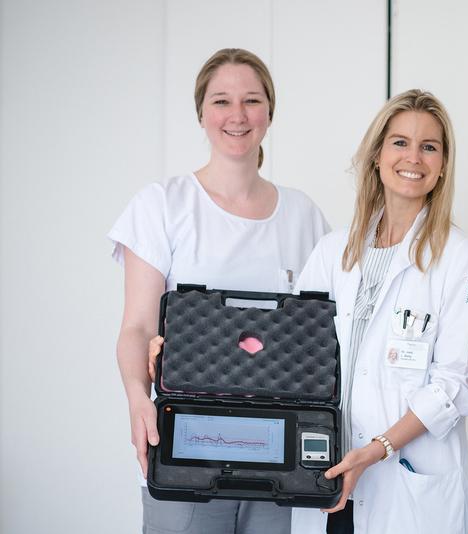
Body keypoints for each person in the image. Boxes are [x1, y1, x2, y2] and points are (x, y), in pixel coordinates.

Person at [109, 48, 329, 534]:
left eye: (251, 100)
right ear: (202, 114)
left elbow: (324, 338)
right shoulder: (162, 205)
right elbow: (137, 328)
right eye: (221, 101)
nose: (237, 115)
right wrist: (136, 397)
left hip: (280, 456)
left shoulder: (304, 217)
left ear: (269, 112)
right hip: (184, 448)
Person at [290, 89, 468, 534]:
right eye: (400, 142)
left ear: (442, 167)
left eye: (429, 146)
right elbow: (293, 356)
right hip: (326, 471)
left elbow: (455, 383)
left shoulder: (460, 257)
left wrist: (376, 449)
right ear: (377, 155)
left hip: (404, 483)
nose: (413, 157)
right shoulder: (332, 251)